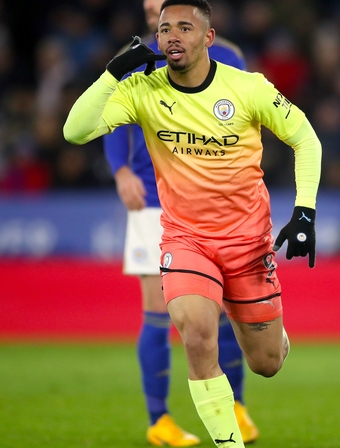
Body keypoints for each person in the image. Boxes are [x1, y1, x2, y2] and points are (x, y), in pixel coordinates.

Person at [64, 1, 321, 446]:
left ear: (209, 37)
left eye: (186, 28)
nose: (173, 36)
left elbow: (305, 138)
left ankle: (274, 338)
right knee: (196, 331)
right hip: (185, 240)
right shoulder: (141, 89)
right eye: (165, 29)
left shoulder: (247, 86)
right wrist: (111, 73)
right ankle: (227, 442)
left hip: (247, 242)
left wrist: (305, 211)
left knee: (266, 363)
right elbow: (76, 130)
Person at [102, 0, 258, 445]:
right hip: (153, 202)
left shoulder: (229, 56)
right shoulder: (134, 58)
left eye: (161, 6)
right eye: (149, 8)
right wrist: (121, 171)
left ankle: (236, 407)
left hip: (214, 207)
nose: (152, 15)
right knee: (156, 313)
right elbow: (112, 121)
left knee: (224, 311)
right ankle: (159, 420)